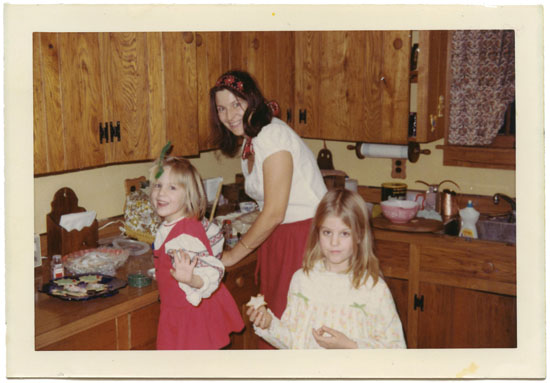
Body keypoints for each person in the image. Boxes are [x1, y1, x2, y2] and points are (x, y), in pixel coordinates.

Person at [209, 70, 327, 347]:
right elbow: (269, 206)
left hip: (303, 240)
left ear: (252, 101)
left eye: (236, 104)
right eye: (221, 108)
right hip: (281, 238)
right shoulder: (252, 140)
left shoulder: (272, 135)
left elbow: (275, 212)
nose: (229, 115)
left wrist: (232, 255)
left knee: (292, 330)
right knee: (276, 324)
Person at [246, 189, 406, 349]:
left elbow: (396, 350)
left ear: (359, 236)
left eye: (344, 233)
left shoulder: (374, 290)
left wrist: (349, 345)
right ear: (317, 233)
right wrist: (268, 324)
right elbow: (294, 341)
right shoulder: (302, 280)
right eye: (327, 232)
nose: (334, 242)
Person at [150, 155, 244, 350]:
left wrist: (191, 279)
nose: (161, 193)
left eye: (172, 187)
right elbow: (215, 238)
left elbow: (211, 271)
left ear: (189, 195)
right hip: (189, 312)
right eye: (158, 185)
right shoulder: (186, 222)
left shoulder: (182, 238)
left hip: (189, 319)